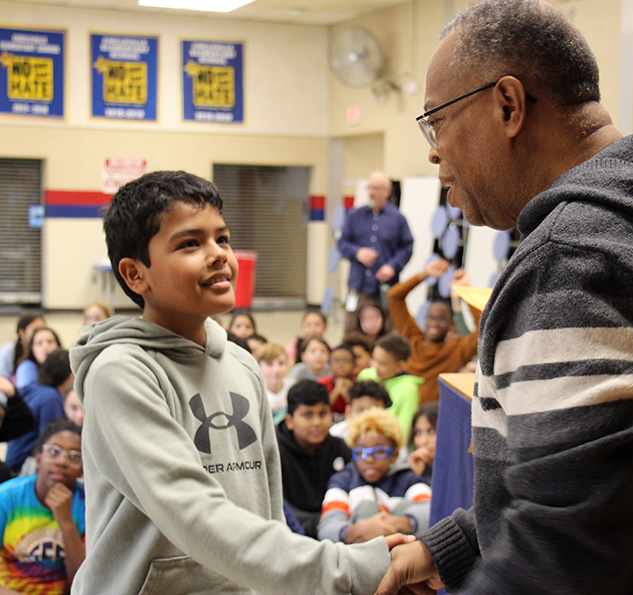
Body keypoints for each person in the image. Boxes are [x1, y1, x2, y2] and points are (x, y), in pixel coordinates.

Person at [376, 1, 633, 593]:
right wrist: (464, 542)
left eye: (436, 120)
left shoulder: (574, 263)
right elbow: (618, 471)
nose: (432, 150)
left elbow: (567, 551)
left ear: (508, 104)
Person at [69, 171, 407, 595]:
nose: (218, 255)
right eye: (190, 243)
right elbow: (192, 512)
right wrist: (347, 569)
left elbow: (267, 511)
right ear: (136, 275)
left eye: (222, 239)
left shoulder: (242, 364)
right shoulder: (121, 373)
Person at [318, 408, 431, 544]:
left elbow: (432, 509)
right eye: (361, 452)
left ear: (394, 455)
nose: (369, 459)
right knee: (365, 508)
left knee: (406, 505)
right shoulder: (343, 481)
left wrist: (403, 522)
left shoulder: (407, 478)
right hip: (360, 553)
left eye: (379, 452)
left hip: (403, 550)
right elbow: (327, 527)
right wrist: (354, 531)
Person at [0, 418, 86, 594]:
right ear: (38, 458)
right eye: (54, 451)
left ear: (83, 469)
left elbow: (83, 579)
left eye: (74, 456)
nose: (62, 461)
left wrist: (66, 522)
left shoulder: (87, 503)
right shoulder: (7, 497)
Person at [387, 258, 480, 404]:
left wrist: (465, 291)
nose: (434, 323)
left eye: (442, 319)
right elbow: (394, 297)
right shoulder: (413, 339)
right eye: (430, 317)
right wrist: (425, 274)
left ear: (451, 324)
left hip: (432, 418)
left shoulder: (456, 349)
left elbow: (484, 333)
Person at [337, 171, 414, 334]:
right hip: (358, 284)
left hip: (386, 287)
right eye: (370, 188)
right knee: (352, 327)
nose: (372, 192)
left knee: (387, 329)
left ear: (387, 191)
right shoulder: (354, 216)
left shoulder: (397, 218)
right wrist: (357, 252)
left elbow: (407, 247)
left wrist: (392, 266)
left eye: (377, 188)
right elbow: (342, 242)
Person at [275, 380, 351, 539]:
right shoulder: (274, 452)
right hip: (292, 535)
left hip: (336, 527)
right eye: (307, 415)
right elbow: (279, 507)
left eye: (323, 413)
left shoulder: (338, 447)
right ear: (289, 421)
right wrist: (322, 523)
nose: (317, 423)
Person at [5, 348, 73, 475]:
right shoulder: (50, 398)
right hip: (23, 467)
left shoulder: (32, 387)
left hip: (12, 461)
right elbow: (51, 440)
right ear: (71, 376)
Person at [357, 335, 422, 436]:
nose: (375, 367)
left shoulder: (408, 389)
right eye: (374, 360)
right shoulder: (365, 375)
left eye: (382, 364)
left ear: (400, 365)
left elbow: (403, 430)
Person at [254, 342, 295, 424]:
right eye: (269, 364)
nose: (276, 369)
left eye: (281, 363)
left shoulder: (293, 386)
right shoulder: (255, 391)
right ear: (258, 366)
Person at [0, 312, 45, 382]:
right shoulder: (9, 351)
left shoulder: (45, 350)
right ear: (22, 333)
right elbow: (2, 379)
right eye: (35, 331)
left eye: (42, 330)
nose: (39, 334)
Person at [318, 344, 357, 416]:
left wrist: (345, 393)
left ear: (354, 365)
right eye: (336, 361)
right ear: (329, 365)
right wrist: (337, 390)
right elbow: (320, 409)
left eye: (346, 361)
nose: (340, 365)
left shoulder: (357, 384)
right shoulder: (323, 383)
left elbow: (358, 408)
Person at [407, 402, 438, 485]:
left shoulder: (457, 472)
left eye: (431, 432)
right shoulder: (410, 465)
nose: (424, 441)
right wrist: (414, 475)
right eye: (418, 433)